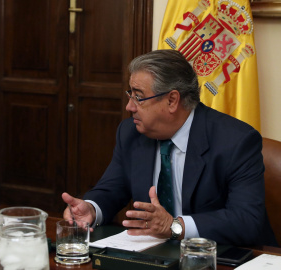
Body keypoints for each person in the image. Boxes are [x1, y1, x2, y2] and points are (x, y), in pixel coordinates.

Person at [62, 49, 277, 247]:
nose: (129, 107)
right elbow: (111, 190)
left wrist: (175, 226)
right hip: (156, 256)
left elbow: (246, 221)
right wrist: (91, 208)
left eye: (138, 97)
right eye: (130, 95)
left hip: (220, 257)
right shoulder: (131, 133)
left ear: (172, 100)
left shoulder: (236, 141)